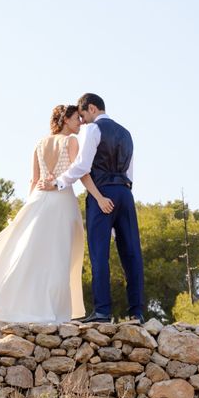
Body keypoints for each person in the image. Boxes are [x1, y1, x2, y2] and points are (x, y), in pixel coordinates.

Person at [0, 105, 108, 334]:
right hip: (60, 202)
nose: (80, 122)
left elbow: (33, 180)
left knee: (30, 255)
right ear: (66, 119)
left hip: (38, 200)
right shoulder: (70, 142)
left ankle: (23, 305)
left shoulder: (39, 144)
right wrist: (98, 197)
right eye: (77, 118)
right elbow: (81, 173)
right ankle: (52, 312)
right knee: (57, 255)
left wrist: (28, 208)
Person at [39, 93, 145, 323]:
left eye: (84, 114)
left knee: (99, 254)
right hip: (125, 193)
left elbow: (83, 165)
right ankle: (137, 312)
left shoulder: (93, 130)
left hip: (102, 193)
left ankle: (103, 312)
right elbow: (130, 172)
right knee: (132, 254)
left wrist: (58, 182)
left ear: (93, 108)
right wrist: (123, 201)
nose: (83, 120)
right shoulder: (126, 133)